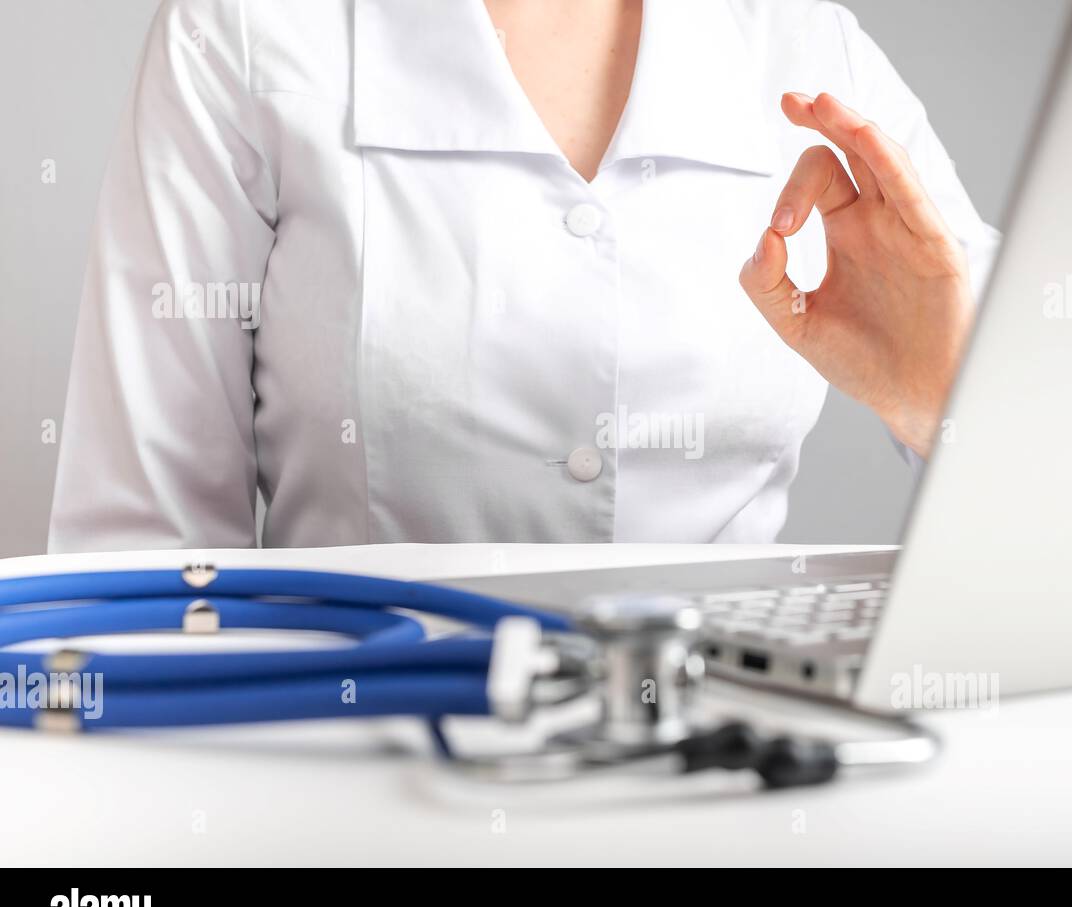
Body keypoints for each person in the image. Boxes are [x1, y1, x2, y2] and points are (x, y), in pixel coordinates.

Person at [48, 0, 999, 551]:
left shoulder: (805, 46)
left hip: (737, 765)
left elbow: (1069, 467)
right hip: (355, 769)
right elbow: (140, 555)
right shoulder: (244, 37)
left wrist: (934, 395)